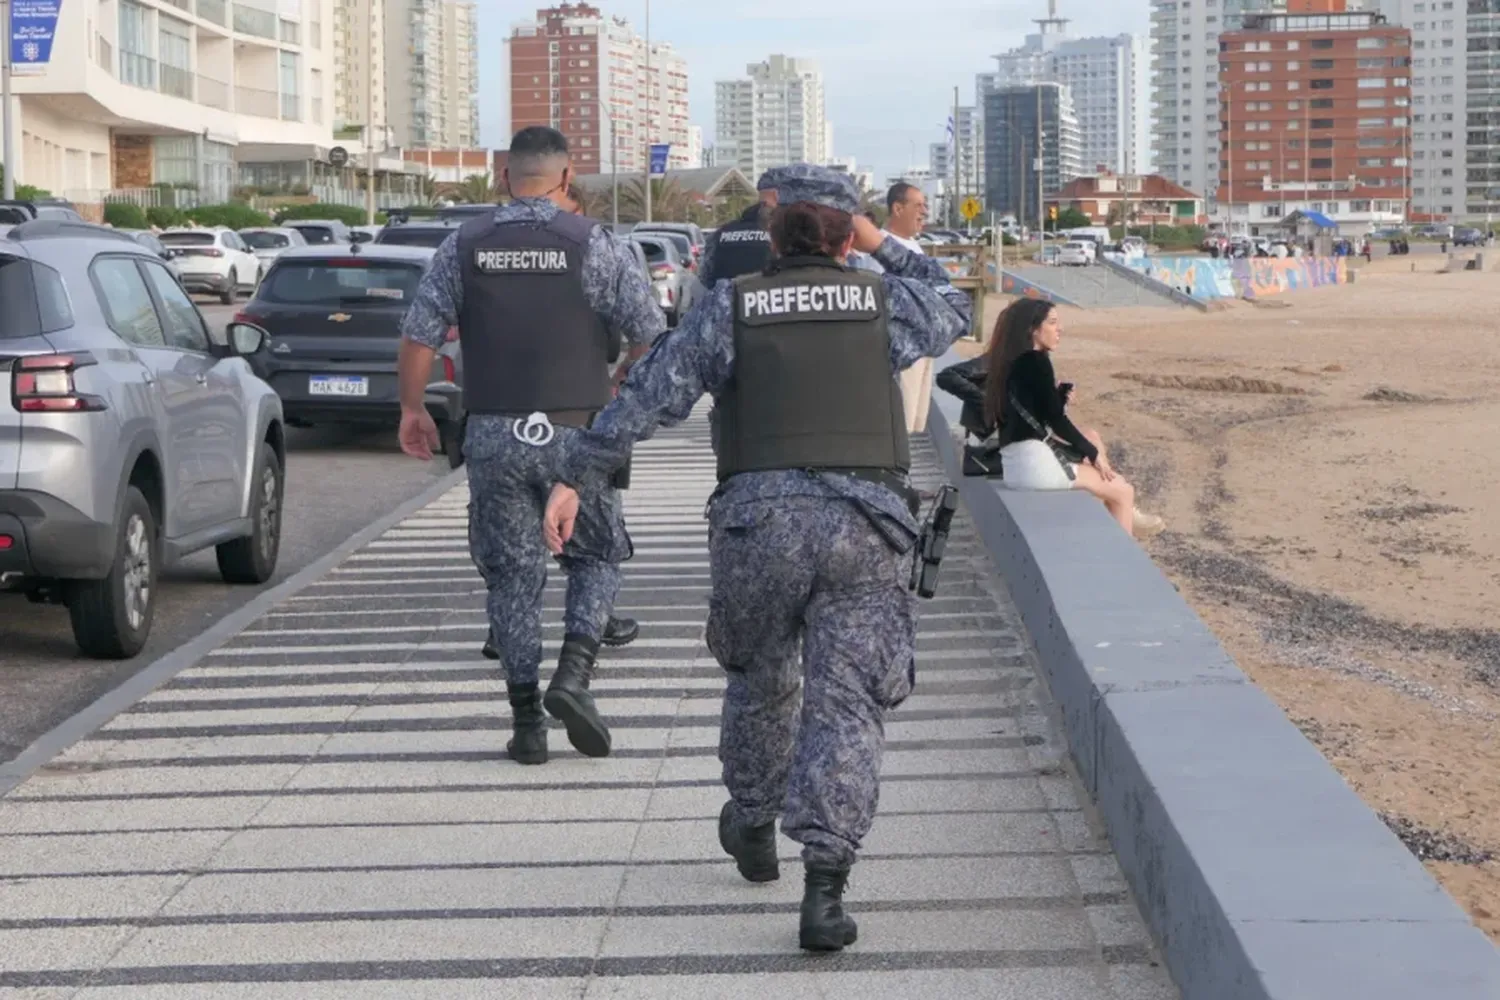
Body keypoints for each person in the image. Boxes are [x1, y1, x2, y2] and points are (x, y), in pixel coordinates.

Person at [540, 164, 972, 953]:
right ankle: (825, 890)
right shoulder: (885, 302)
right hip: (862, 527)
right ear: (851, 240)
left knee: (762, 680)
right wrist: (889, 245)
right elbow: (957, 304)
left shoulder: (729, 310)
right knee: (846, 706)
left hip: (756, 528)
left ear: (771, 239)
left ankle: (750, 817)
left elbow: (646, 396)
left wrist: (573, 475)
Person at [396, 125, 666, 766]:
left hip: (494, 432)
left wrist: (412, 408)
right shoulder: (595, 244)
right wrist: (625, 376)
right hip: (581, 430)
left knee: (512, 578)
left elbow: (418, 336)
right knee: (596, 556)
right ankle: (573, 676)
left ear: (502, 177)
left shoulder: (463, 246)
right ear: (567, 179)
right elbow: (651, 335)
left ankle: (525, 726)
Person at [977, 299, 1161, 538]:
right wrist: (1093, 456)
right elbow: (1056, 422)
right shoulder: (1036, 361)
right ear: (1033, 329)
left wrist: (1059, 397)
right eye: (1052, 323)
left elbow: (1034, 414)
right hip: (1035, 467)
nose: (1059, 329)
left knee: (1093, 441)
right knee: (1123, 491)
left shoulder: (1009, 362)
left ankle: (1123, 511)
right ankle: (1122, 560)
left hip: (1016, 465)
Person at [696, 169, 780, 288]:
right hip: (764, 299)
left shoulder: (721, 234)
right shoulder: (778, 237)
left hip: (726, 299)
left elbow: (705, 276)